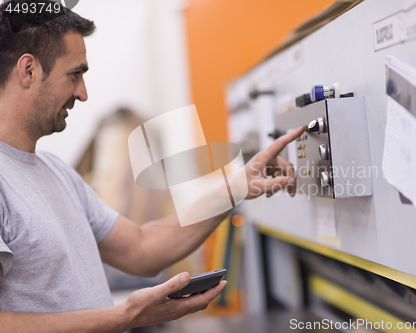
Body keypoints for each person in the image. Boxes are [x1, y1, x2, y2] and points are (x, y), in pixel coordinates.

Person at [0, 0, 303, 331]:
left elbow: (140, 248)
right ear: (28, 70)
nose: (83, 93)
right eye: (75, 74)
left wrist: (235, 188)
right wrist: (128, 315)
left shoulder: (57, 173)